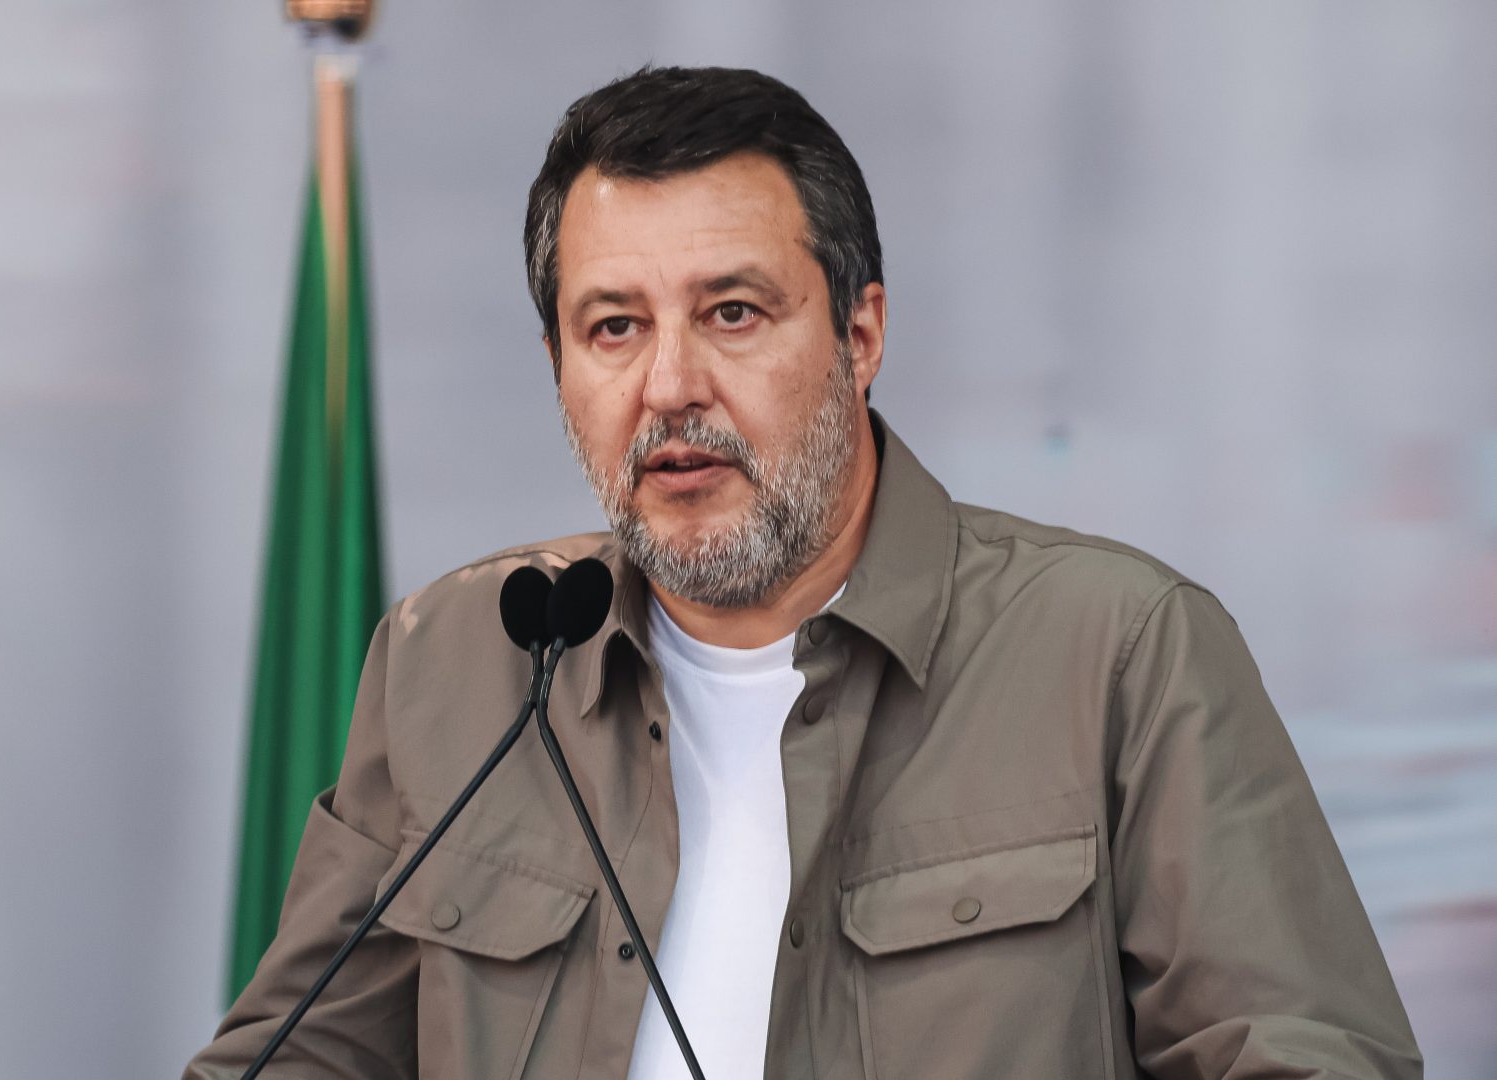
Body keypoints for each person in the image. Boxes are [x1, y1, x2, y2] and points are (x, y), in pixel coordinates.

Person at [186, 66, 1422, 1079]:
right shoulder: (463, 658)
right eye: (613, 327)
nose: (669, 387)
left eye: (732, 313)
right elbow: (299, 1060)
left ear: (860, 334)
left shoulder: (1120, 652)